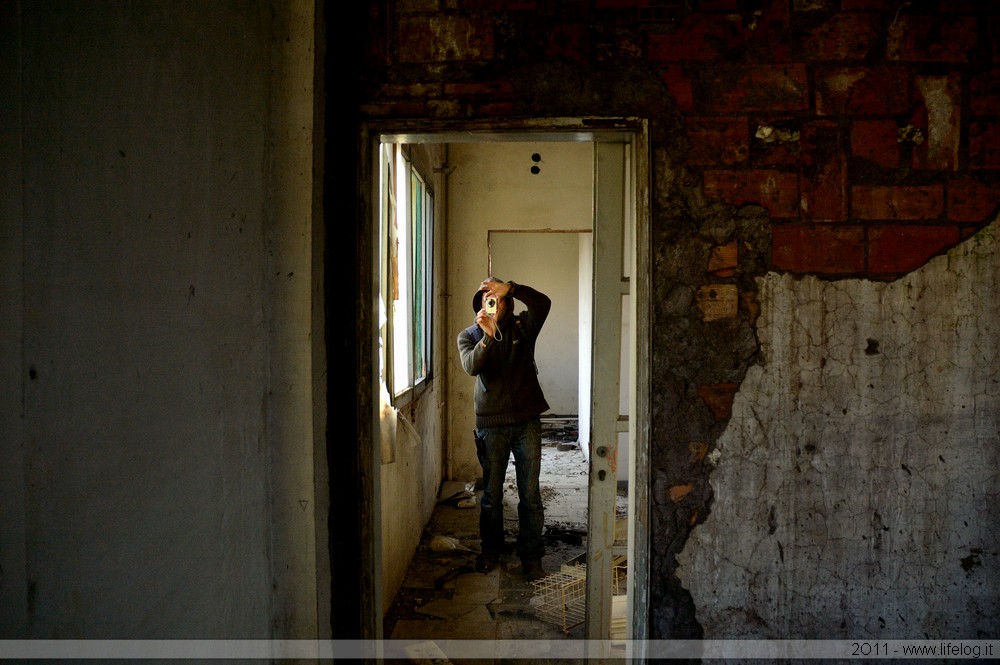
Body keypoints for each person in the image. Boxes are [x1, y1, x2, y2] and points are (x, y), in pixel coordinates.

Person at [457, 277, 551, 581]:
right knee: (491, 496)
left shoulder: (523, 329)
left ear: (507, 302)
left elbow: (543, 303)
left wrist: (511, 286)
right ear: (480, 305)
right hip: (491, 425)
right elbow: (472, 366)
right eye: (487, 299)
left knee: (530, 495)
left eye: (497, 298)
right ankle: (491, 551)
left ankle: (531, 556)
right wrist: (488, 336)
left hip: (526, 421)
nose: (493, 303)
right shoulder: (469, 336)